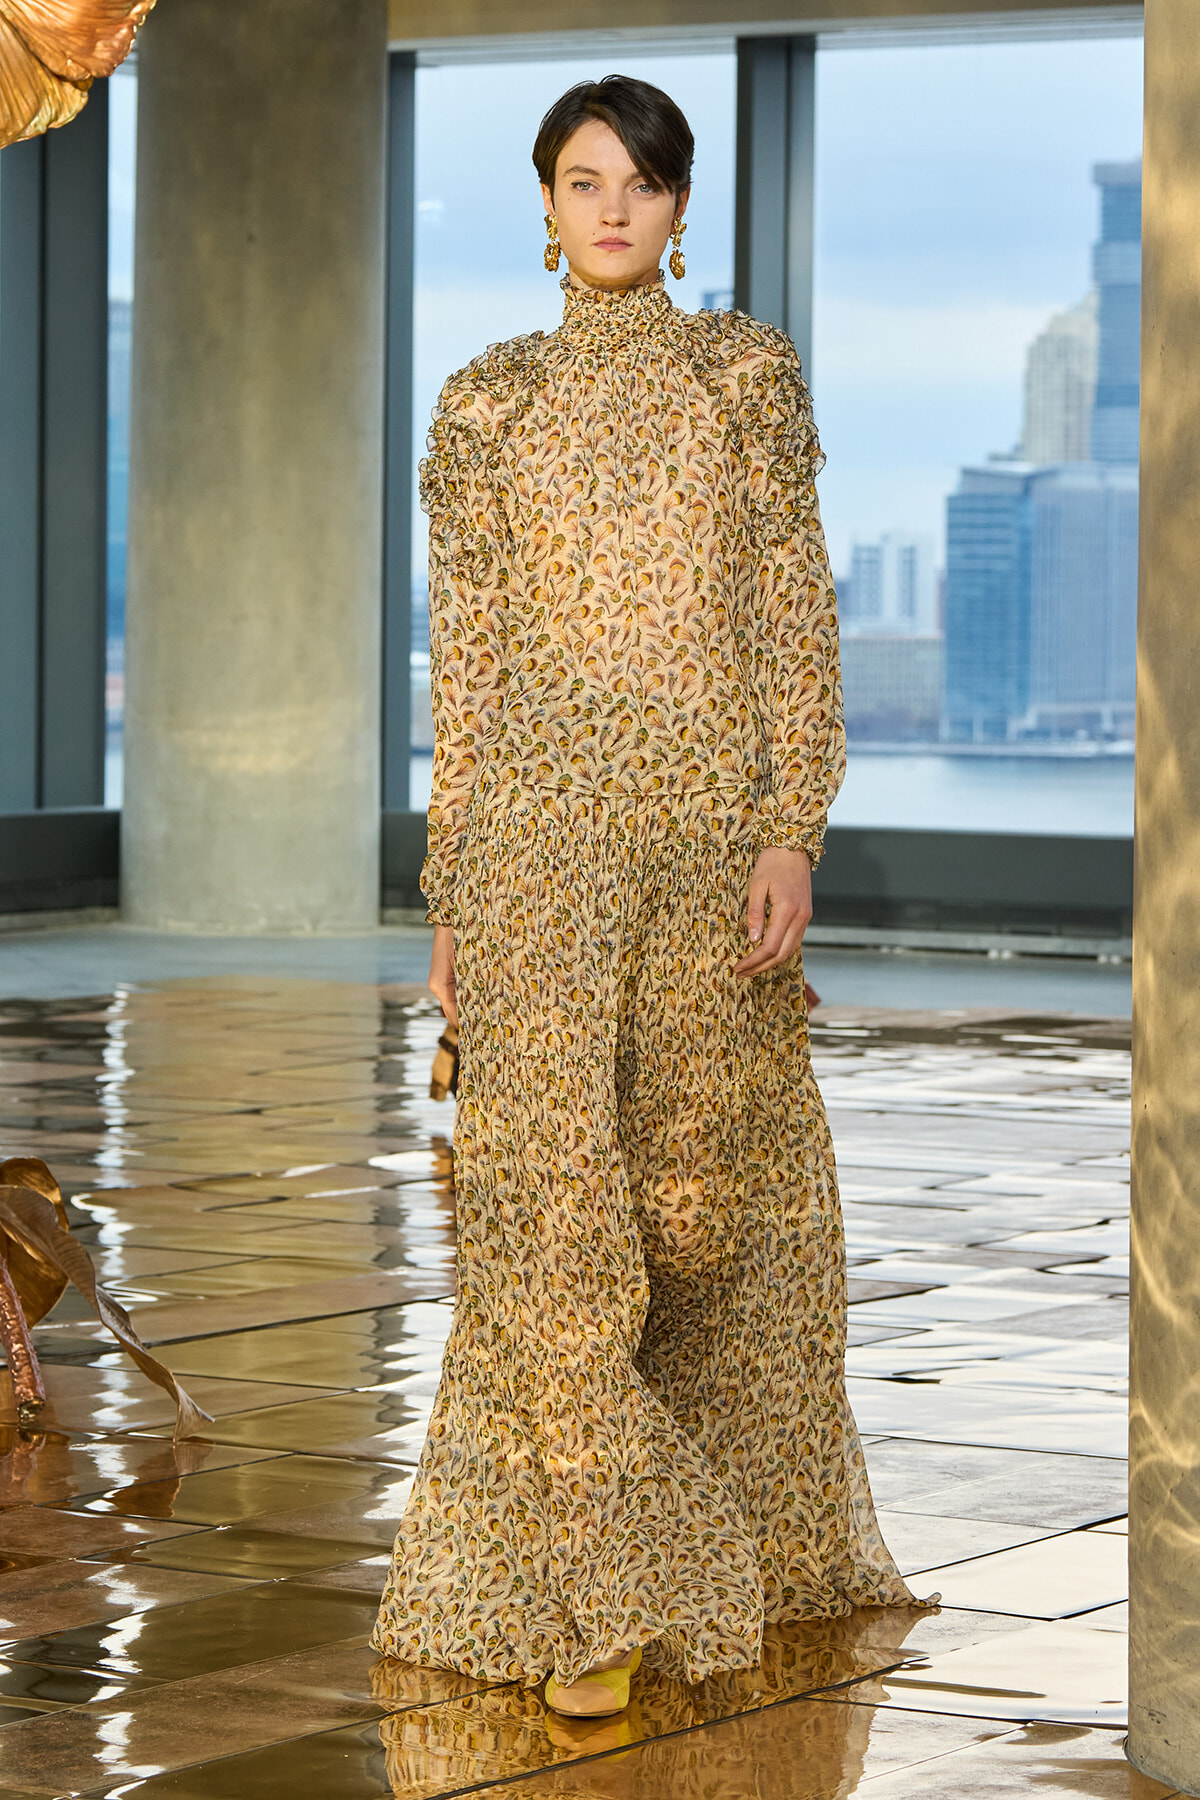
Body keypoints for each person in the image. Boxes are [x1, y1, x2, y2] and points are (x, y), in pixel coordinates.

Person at [372, 73, 919, 1719]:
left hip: (703, 833)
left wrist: (790, 828)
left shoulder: (742, 376)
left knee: (695, 1211)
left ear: (681, 208)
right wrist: (452, 880)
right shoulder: (483, 406)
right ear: (544, 203)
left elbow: (790, 615)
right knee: (546, 1199)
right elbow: (464, 668)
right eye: (583, 177)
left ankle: (709, 1526)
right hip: (532, 835)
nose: (613, 207)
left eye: (644, 182)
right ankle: (607, 1587)